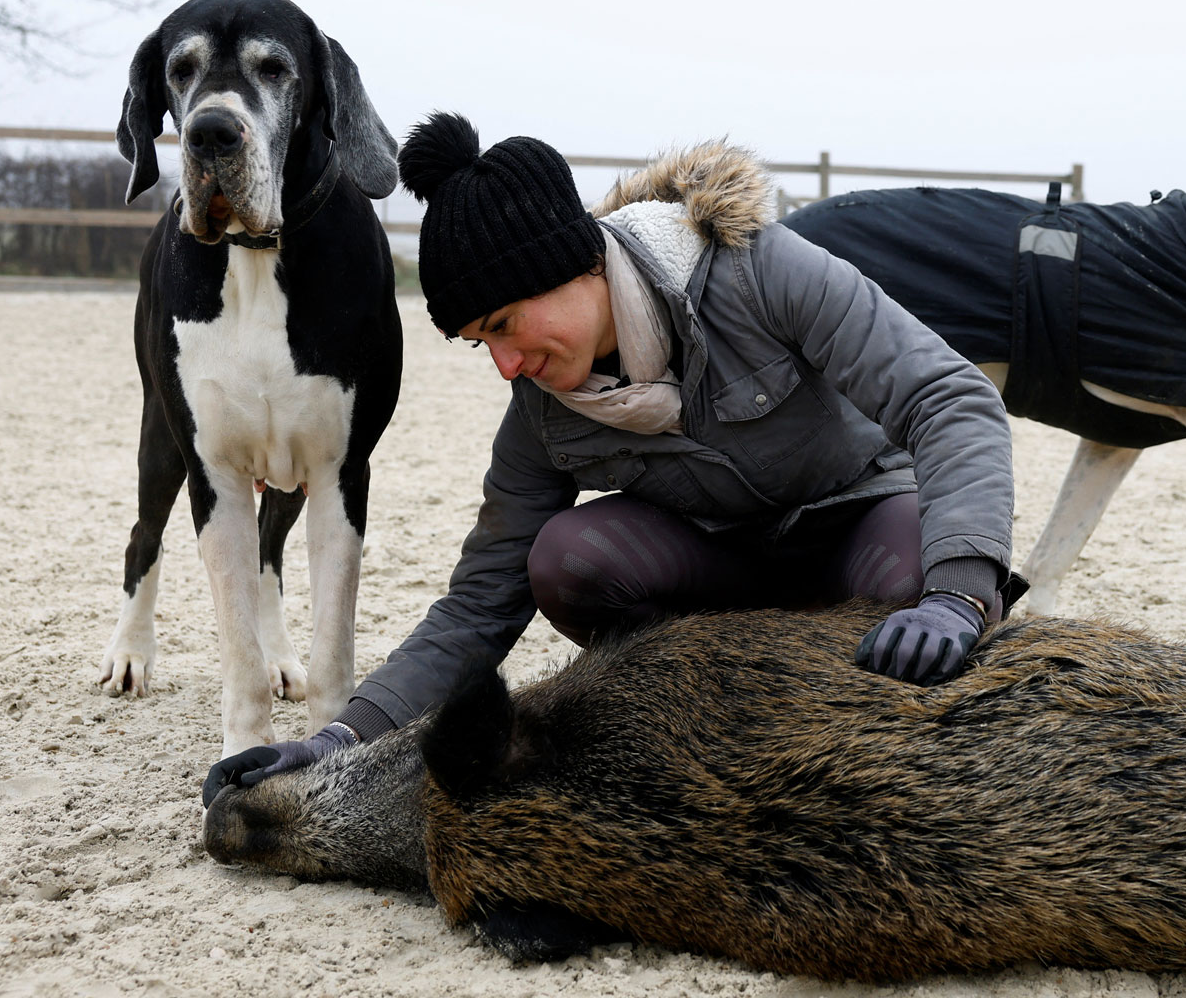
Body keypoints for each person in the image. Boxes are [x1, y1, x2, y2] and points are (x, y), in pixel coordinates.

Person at [203, 114, 1018, 803]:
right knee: (563, 558)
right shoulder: (541, 413)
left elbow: (952, 399)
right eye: (480, 342)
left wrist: (956, 593)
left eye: (507, 324)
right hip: (724, 573)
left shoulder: (758, 271)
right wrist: (339, 738)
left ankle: (904, 646)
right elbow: (480, 601)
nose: (506, 365)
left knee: (912, 576)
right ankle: (716, 704)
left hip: (856, 527)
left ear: (582, 266)